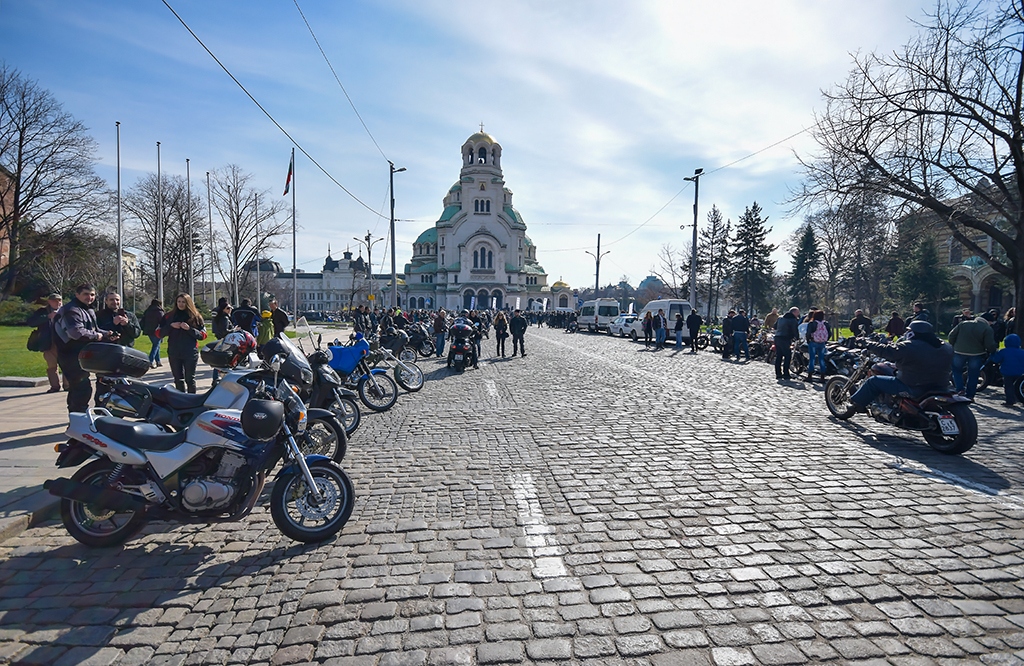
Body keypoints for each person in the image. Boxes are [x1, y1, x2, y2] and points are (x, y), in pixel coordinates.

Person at [848, 321, 954, 413]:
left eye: (909, 330)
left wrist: (868, 344)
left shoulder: (910, 346)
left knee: (873, 381)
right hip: (941, 385)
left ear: (913, 333)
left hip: (913, 386)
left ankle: (856, 406)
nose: (907, 333)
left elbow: (887, 351)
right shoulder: (946, 346)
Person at [54, 284, 117, 413]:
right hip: (69, 354)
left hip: (84, 354)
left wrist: (107, 334)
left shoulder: (88, 310)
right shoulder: (71, 310)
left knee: (82, 387)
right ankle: (77, 419)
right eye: (86, 294)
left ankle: (79, 417)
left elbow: (93, 330)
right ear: (77, 295)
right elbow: (75, 332)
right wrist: (98, 336)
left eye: (92, 295)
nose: (90, 297)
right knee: (81, 388)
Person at [158, 293, 208, 394]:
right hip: (174, 351)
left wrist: (189, 329)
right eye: (179, 302)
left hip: (190, 352)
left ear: (188, 303)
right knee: (178, 379)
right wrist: (170, 326)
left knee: (190, 379)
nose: (181, 304)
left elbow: (203, 335)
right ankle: (180, 399)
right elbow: (159, 333)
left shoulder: (196, 317)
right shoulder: (168, 316)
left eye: (183, 302)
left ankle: (192, 400)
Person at [948, 311, 997, 399]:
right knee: (973, 374)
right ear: (988, 321)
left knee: (956, 371)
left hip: (959, 351)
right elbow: (989, 344)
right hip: (976, 354)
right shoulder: (987, 329)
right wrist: (993, 350)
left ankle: (960, 389)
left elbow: (951, 336)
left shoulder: (963, 324)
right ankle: (970, 395)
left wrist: (955, 346)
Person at [27, 293, 67, 393]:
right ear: (49, 302)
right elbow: (31, 322)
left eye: (59, 301)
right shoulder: (42, 311)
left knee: (66, 364)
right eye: (55, 301)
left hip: (64, 342)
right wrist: (48, 317)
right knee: (52, 366)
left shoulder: (66, 311)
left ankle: (68, 385)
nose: (58, 303)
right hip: (49, 343)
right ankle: (54, 386)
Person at [989, 334, 1024, 407]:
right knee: (1017, 386)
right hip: (1020, 372)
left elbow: (996, 360)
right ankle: (1018, 397)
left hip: (1007, 372)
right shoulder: (1022, 352)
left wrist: (992, 355)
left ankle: (1010, 401)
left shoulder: (1003, 351)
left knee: (1008, 387)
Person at [774, 307, 800, 381]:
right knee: (787, 356)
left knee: (779, 356)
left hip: (777, 338)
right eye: (797, 312)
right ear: (793, 312)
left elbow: (775, 326)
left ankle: (778, 374)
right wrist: (797, 338)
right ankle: (786, 373)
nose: (798, 314)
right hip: (785, 339)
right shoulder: (793, 320)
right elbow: (795, 330)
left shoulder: (780, 318)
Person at [805, 310, 830, 383]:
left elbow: (808, 333)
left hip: (813, 342)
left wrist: (809, 340)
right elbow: (829, 333)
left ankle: (810, 376)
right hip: (822, 343)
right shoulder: (826, 323)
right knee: (821, 359)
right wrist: (825, 340)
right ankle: (822, 377)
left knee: (812, 359)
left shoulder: (812, 323)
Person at [141, 299, 165, 368]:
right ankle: (150, 361)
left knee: (156, 345)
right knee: (156, 346)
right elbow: (162, 322)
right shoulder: (159, 312)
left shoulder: (147, 311)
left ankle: (158, 361)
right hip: (157, 331)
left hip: (148, 331)